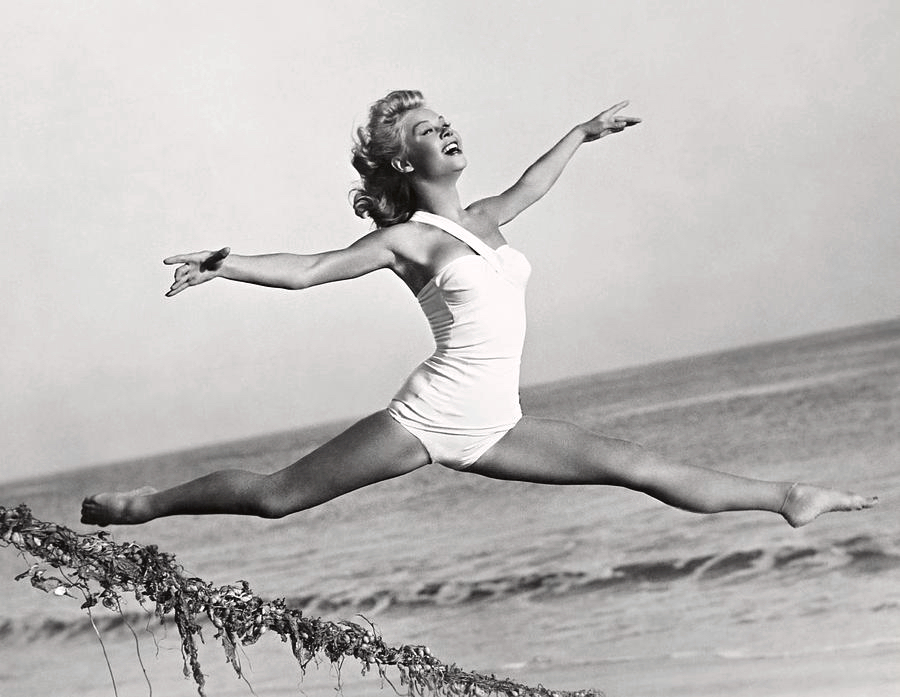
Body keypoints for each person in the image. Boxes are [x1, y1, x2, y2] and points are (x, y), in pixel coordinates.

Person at [81, 90, 876, 530]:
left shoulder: (488, 217)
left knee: (636, 465)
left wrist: (581, 132)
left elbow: (533, 182)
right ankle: (143, 504)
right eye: (428, 129)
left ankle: (786, 497)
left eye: (444, 120)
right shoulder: (406, 239)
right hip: (432, 413)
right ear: (404, 160)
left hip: (498, 420)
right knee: (277, 496)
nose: (447, 129)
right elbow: (312, 270)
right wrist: (226, 264)